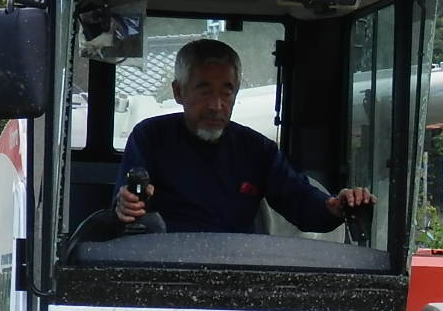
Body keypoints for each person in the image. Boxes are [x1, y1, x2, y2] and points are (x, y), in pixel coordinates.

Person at [107, 38, 374, 235]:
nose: (216, 105)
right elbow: (126, 204)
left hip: (237, 270)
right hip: (159, 265)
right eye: (204, 90)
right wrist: (127, 204)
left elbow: (300, 200)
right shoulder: (150, 137)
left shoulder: (257, 150)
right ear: (179, 92)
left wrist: (335, 206)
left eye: (226, 92)